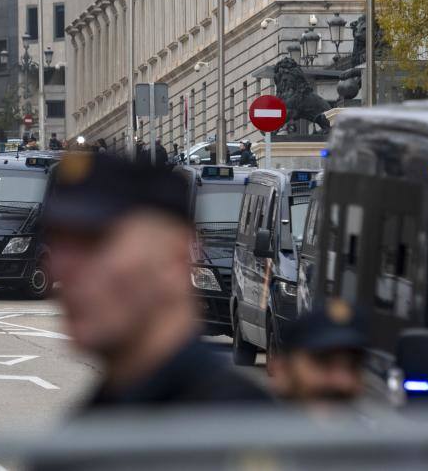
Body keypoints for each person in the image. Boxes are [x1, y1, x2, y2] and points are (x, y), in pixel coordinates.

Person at [43, 154, 271, 408]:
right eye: (58, 244)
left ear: (174, 258)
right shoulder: (95, 420)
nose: (61, 269)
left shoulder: (238, 428)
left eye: (92, 243)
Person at [269, 299, 367, 409]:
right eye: (324, 361)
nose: (343, 382)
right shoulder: (249, 422)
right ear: (282, 369)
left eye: (354, 365)